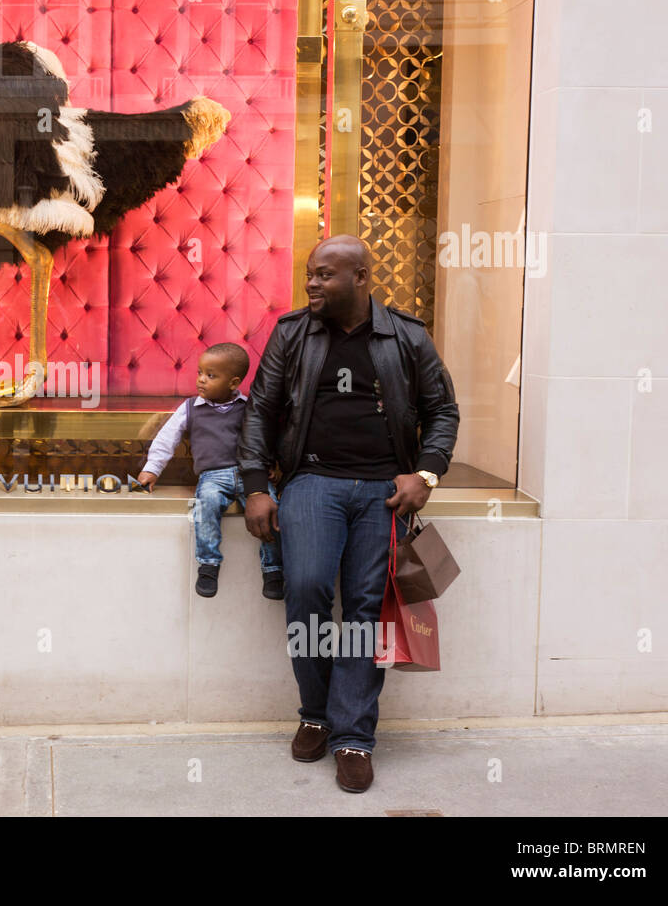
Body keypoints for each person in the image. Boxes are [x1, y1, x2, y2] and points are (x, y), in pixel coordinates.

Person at [238, 235, 459, 793]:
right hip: (313, 480)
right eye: (310, 273)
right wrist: (256, 486)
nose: (311, 283)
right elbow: (260, 412)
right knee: (308, 588)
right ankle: (316, 711)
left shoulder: (405, 335)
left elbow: (442, 410)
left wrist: (425, 474)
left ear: (360, 277)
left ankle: (354, 735)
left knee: (364, 608)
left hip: (385, 489)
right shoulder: (292, 333)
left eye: (324, 275)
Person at [137, 343, 284, 599]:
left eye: (211, 375)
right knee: (206, 506)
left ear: (233, 382)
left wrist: (269, 463)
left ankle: (273, 569)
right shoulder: (191, 408)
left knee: (270, 511)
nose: (201, 380)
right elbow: (166, 438)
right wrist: (152, 469)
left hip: (249, 475)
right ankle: (208, 564)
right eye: (200, 373)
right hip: (213, 476)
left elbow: (262, 438)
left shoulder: (247, 406)